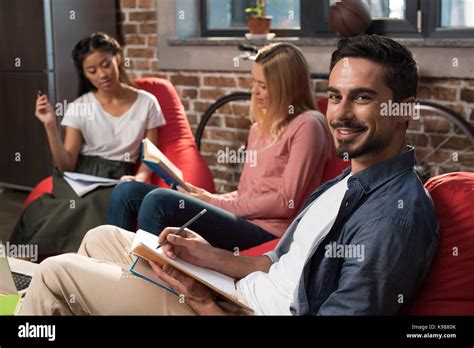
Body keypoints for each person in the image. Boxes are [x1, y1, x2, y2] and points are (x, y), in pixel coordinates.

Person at [19, 35, 439, 316]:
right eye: (335, 96)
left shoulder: (393, 217)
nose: (342, 113)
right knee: (98, 237)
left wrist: (205, 303)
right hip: (237, 287)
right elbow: (276, 262)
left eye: (362, 98)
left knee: (57, 272)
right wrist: (209, 257)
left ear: (405, 108)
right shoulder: (347, 182)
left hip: (234, 309)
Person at [105, 42, 332, 251]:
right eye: (253, 81)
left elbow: (285, 203)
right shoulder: (259, 128)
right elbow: (247, 193)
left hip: (268, 231)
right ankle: (118, 268)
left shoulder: (307, 125)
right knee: (127, 191)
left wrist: (215, 204)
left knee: (159, 201)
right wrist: (211, 197)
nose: (254, 91)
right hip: (243, 220)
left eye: (263, 85)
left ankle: (147, 280)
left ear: (287, 87)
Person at [10, 32, 165, 255]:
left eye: (106, 65)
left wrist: (139, 178)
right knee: (41, 210)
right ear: (84, 74)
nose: (102, 74)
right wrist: (50, 126)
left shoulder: (147, 102)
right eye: (92, 70)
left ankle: (84, 267)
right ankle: (25, 269)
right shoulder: (80, 106)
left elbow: (151, 153)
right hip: (82, 175)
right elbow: (66, 165)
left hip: (119, 176)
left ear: (118, 58)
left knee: (94, 204)